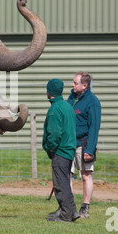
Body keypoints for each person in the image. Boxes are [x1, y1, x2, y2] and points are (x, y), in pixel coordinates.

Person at [42, 79, 79, 222]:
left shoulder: (54, 110)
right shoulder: (68, 106)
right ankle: (72, 211)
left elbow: (54, 133)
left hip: (60, 151)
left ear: (48, 91)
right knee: (64, 181)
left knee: (60, 184)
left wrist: (51, 148)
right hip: (69, 149)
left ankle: (65, 216)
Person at [67, 72, 101, 219]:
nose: (72, 85)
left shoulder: (93, 102)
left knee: (86, 175)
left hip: (84, 143)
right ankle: (68, 206)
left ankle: (85, 207)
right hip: (68, 144)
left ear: (84, 85)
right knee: (66, 174)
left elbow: (94, 127)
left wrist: (90, 149)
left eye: (75, 83)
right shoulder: (71, 97)